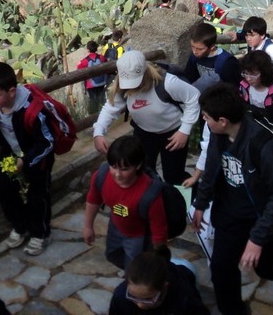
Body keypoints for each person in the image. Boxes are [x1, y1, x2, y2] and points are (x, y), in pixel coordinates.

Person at [191, 84, 273, 315]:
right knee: (221, 268)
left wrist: (257, 239)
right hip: (230, 214)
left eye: (207, 118)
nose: (204, 122)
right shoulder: (218, 136)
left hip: (262, 216)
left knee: (266, 267)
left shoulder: (263, 145)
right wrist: (200, 204)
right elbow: (211, 169)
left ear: (223, 120)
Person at [0, 61, 55, 256]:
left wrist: (26, 161)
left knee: (38, 197)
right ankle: (21, 226)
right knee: (1, 190)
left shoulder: (33, 110)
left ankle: (40, 233)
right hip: (10, 157)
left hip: (37, 161)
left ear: (12, 92)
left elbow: (47, 142)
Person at [93, 51, 200, 186]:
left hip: (173, 133)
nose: (132, 87)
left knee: (173, 176)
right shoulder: (123, 88)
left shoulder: (167, 82)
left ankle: (188, 197)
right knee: (143, 171)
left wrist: (184, 130)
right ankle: (154, 198)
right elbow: (110, 108)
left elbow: (193, 97)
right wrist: (98, 132)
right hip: (144, 133)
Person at [84, 136, 169, 271]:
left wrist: (157, 257)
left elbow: (159, 230)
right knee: (112, 255)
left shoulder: (150, 194)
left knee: (135, 271)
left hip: (139, 238)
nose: (117, 174)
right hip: (116, 226)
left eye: (124, 169)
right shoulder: (101, 176)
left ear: (138, 165)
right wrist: (88, 226)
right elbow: (93, 199)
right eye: (114, 167)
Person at [109, 248, 209, 315]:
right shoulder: (120, 295)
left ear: (164, 287)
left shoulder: (185, 299)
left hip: (184, 270)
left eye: (148, 298)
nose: (140, 305)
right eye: (133, 296)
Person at [183, 23, 240, 92]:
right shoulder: (194, 57)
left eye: (200, 49)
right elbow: (190, 77)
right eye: (192, 46)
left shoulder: (227, 62)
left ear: (212, 47)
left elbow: (233, 88)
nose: (195, 51)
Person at [76, 40, 109, 110]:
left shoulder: (84, 61)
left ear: (88, 50)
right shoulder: (101, 57)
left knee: (94, 101)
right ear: (96, 48)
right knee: (102, 99)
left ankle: (95, 115)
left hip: (91, 85)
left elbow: (79, 69)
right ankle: (104, 112)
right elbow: (106, 63)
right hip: (102, 83)